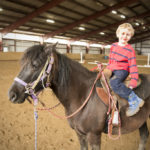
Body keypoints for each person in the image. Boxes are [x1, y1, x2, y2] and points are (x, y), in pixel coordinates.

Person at [106, 23, 144, 117]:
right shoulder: (113, 46)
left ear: (130, 36)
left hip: (122, 70)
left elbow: (133, 66)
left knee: (114, 83)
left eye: (128, 34)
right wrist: (108, 67)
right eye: (123, 33)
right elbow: (111, 59)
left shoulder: (130, 50)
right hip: (112, 68)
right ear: (118, 34)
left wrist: (133, 80)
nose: (125, 36)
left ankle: (134, 99)